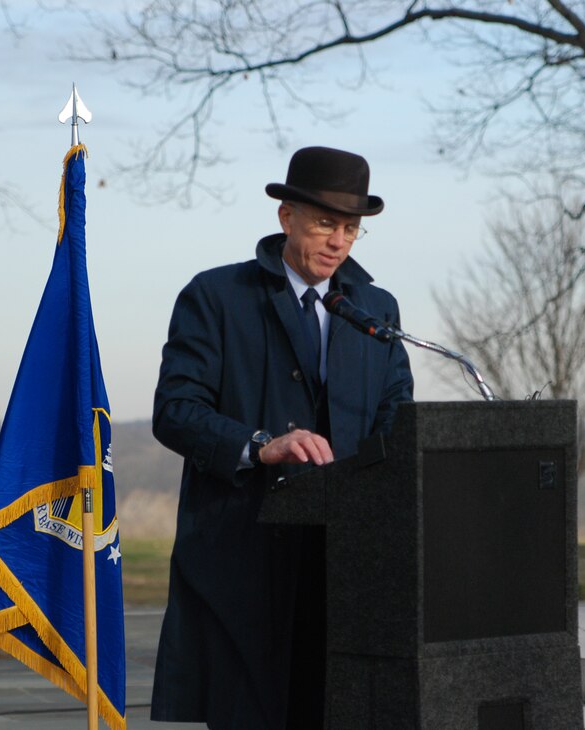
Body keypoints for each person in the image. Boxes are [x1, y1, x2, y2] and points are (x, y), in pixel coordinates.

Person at [149, 146, 414, 729]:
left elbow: (398, 419)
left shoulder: (376, 309)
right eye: (325, 223)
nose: (338, 240)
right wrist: (260, 444)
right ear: (286, 216)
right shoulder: (217, 297)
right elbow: (175, 410)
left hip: (345, 563)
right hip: (243, 555)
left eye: (351, 228)